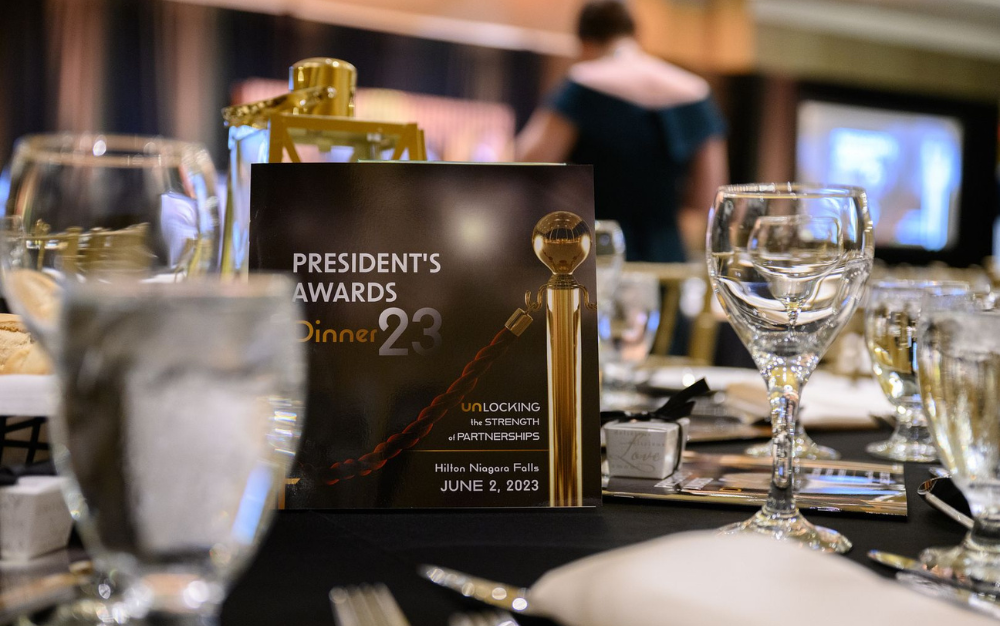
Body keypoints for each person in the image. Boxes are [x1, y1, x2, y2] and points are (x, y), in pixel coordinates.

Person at [516, 0, 728, 262]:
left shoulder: (584, 83)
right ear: (636, 34)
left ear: (584, 43)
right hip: (666, 260)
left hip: (596, 255)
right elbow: (709, 195)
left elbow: (527, 164)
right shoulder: (696, 92)